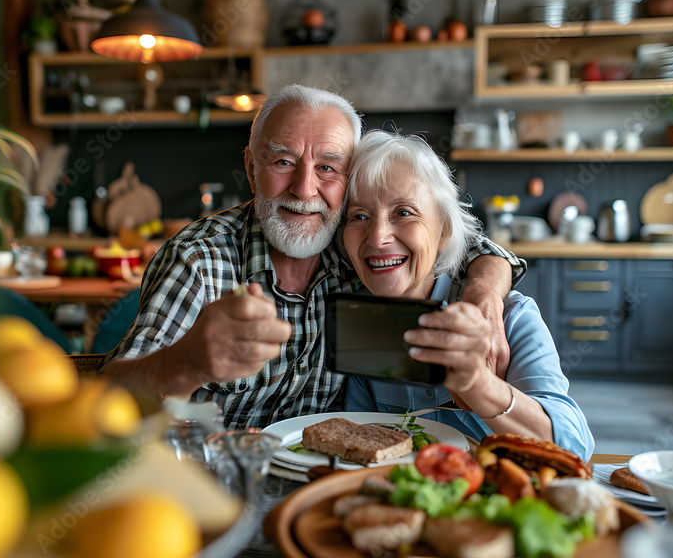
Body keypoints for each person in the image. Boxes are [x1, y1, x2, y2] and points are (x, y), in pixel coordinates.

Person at [102, 84, 524, 429]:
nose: (305, 189)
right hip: (210, 489)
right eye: (283, 161)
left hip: (324, 482)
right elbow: (107, 402)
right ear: (251, 169)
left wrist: (484, 295)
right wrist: (186, 362)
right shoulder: (199, 261)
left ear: (349, 181)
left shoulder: (359, 245)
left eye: (327, 168)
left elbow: (445, 238)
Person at [341, 129, 593, 460]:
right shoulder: (359, 320)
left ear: (445, 230)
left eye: (403, 212)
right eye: (360, 216)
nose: (377, 237)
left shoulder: (510, 317)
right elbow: (359, 440)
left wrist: (478, 385)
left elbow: (575, 448)